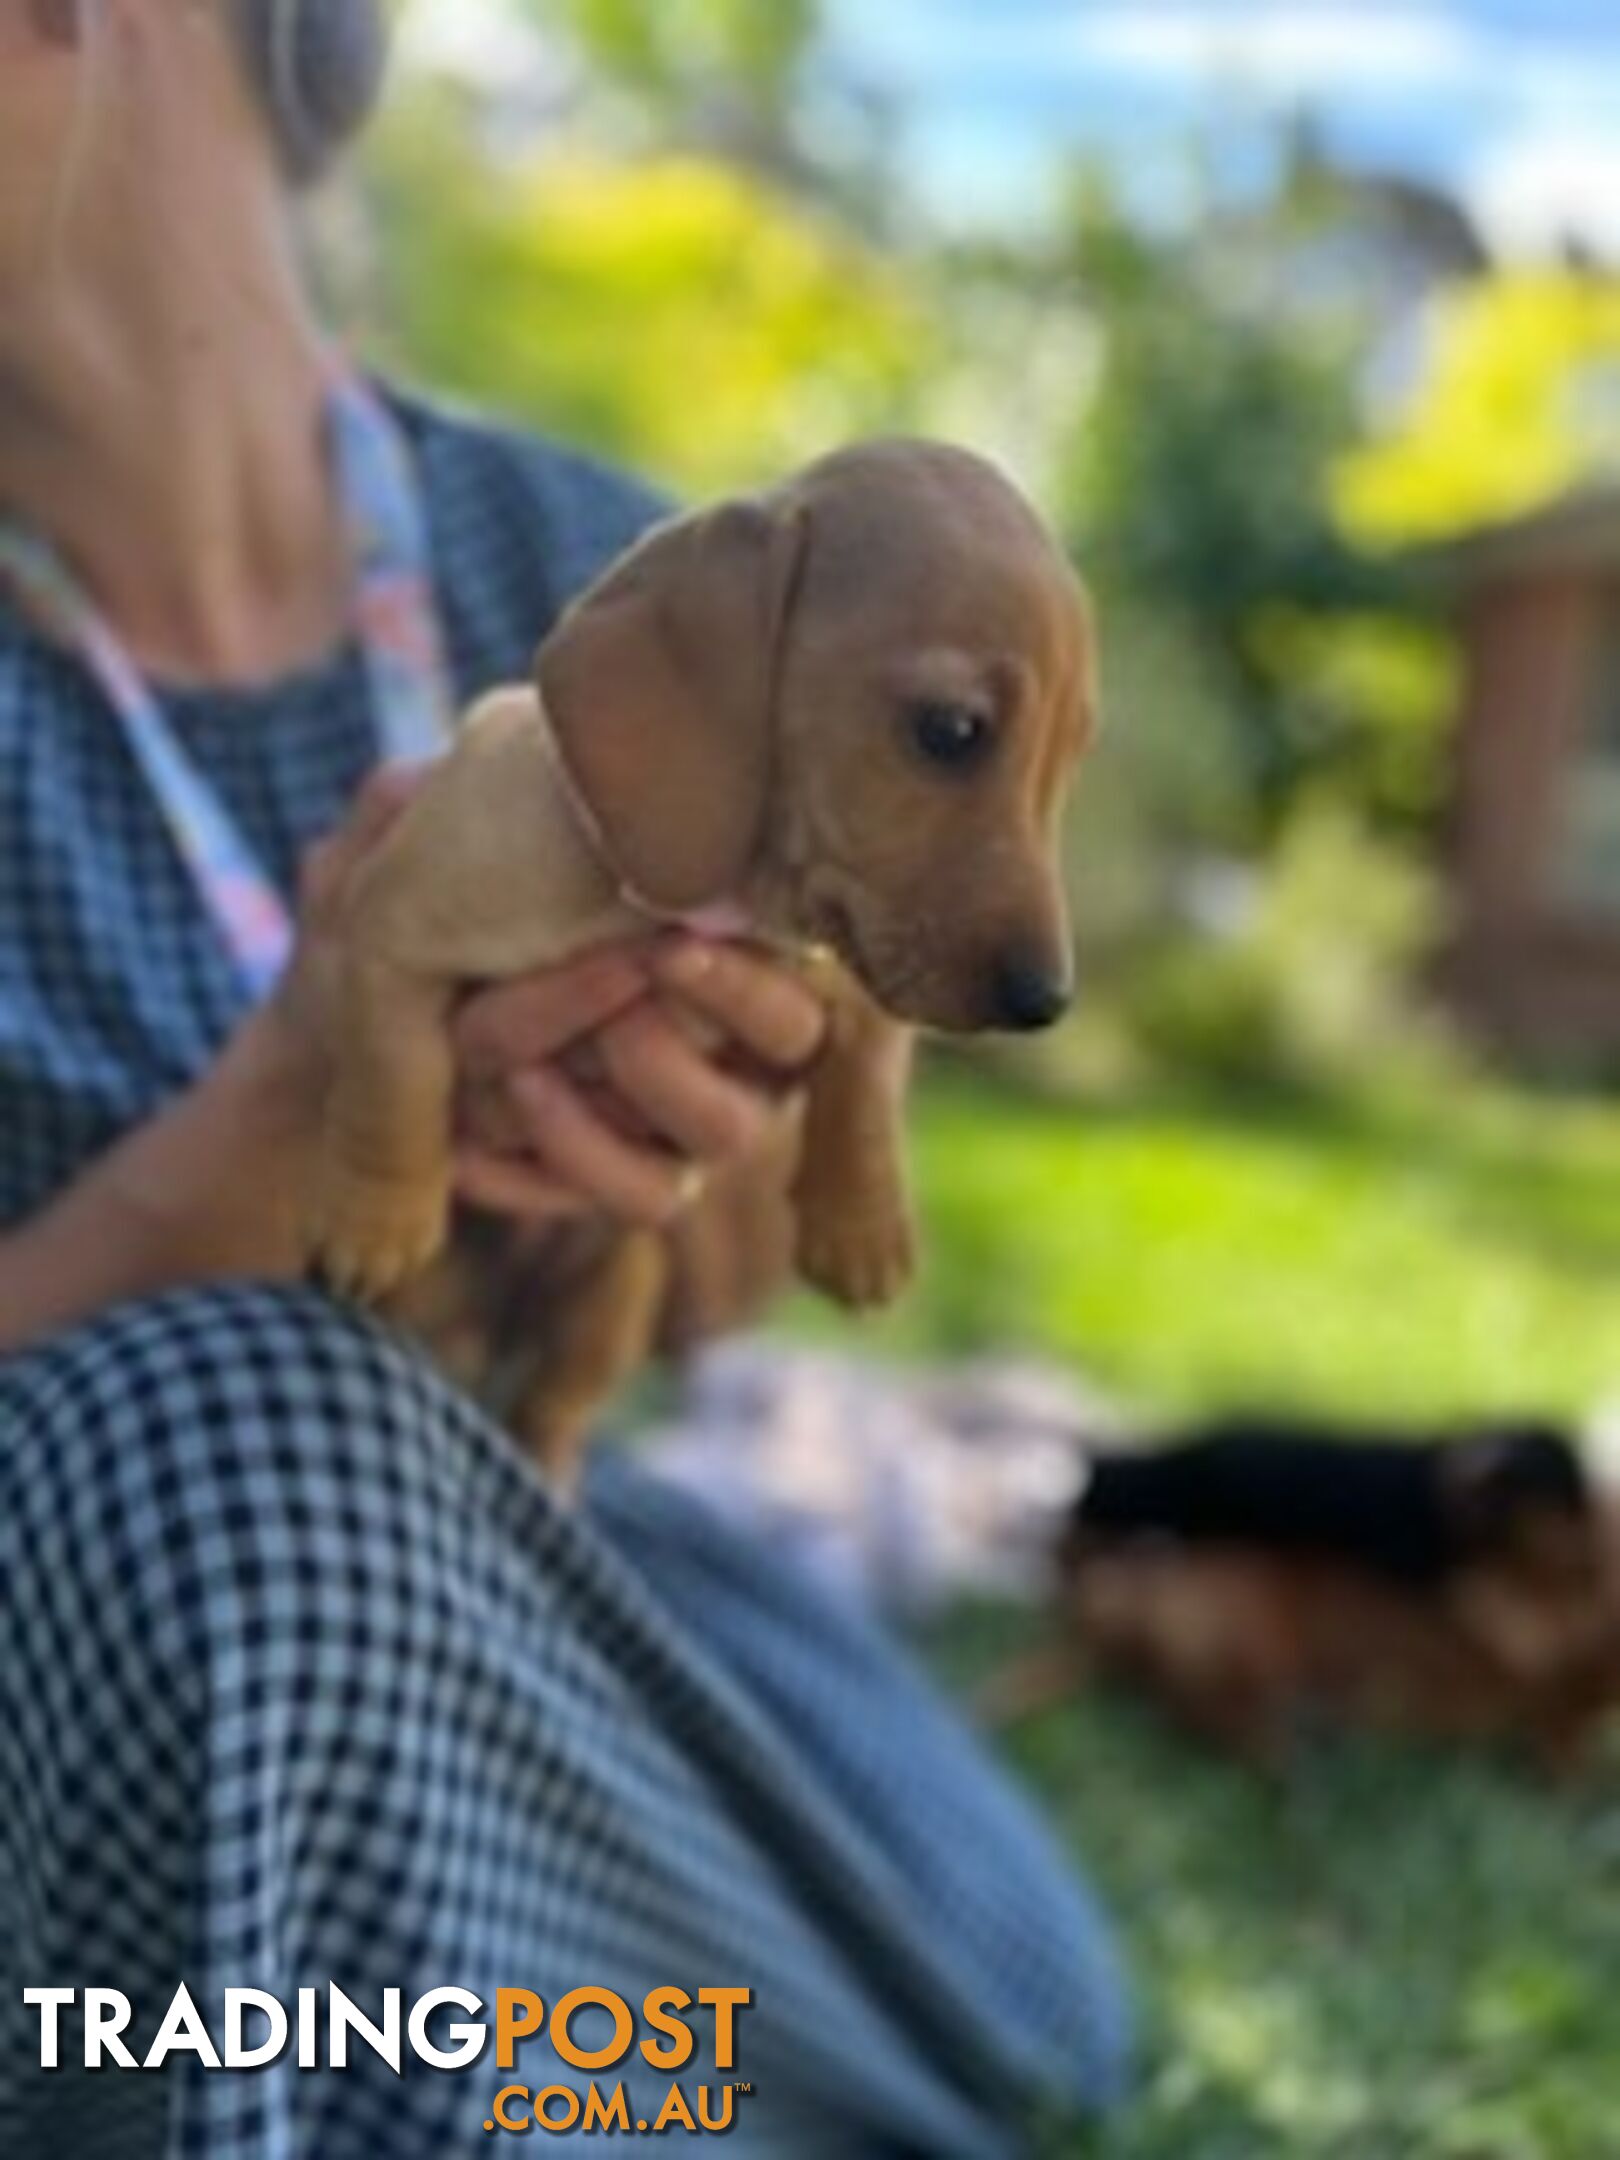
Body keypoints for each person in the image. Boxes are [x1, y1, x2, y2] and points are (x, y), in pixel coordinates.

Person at [0, 4, 1129, 2153]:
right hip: (73, 1733)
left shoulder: (637, 572)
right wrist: (241, 1166)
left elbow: (719, 1280)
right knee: (233, 1464)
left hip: (517, 1567)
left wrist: (697, 1207)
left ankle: (531, 2061)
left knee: (1028, 1998)